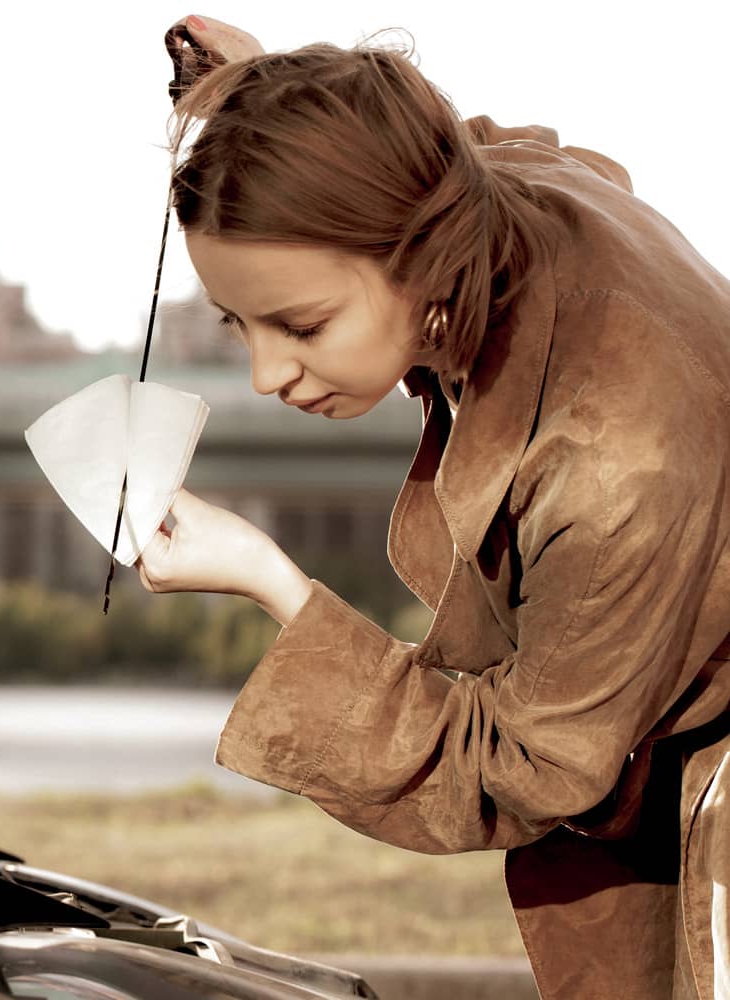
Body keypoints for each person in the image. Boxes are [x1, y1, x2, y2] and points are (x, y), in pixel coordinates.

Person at [137, 15, 730, 998]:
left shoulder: (615, 460)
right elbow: (410, 146)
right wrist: (255, 98)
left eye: (300, 324)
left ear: (417, 259)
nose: (262, 374)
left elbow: (520, 771)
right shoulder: (480, 199)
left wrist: (272, 584)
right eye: (235, 321)